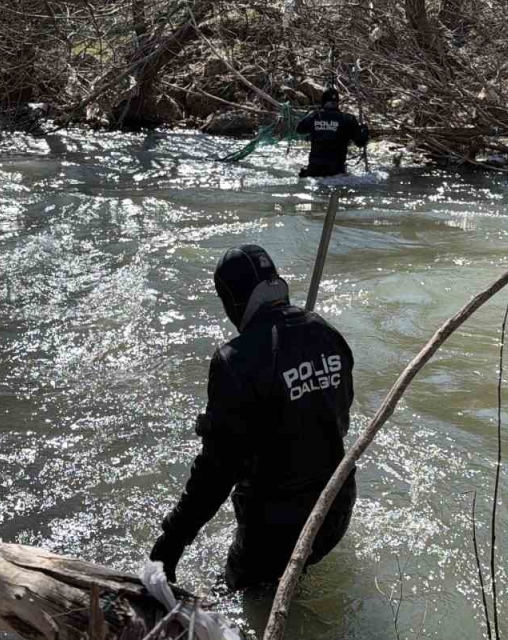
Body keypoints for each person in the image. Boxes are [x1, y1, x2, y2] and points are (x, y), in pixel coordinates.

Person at [149, 244, 357, 589]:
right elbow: (339, 417)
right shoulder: (326, 332)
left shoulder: (235, 360)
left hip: (274, 537)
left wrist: (171, 541)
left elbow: (217, 472)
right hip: (335, 510)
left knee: (233, 606)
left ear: (233, 300)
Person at [295, 88, 370, 178]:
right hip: (336, 172)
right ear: (338, 103)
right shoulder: (348, 119)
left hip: (314, 171)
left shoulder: (314, 116)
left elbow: (299, 129)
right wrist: (364, 129)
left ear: (323, 102)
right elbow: (360, 142)